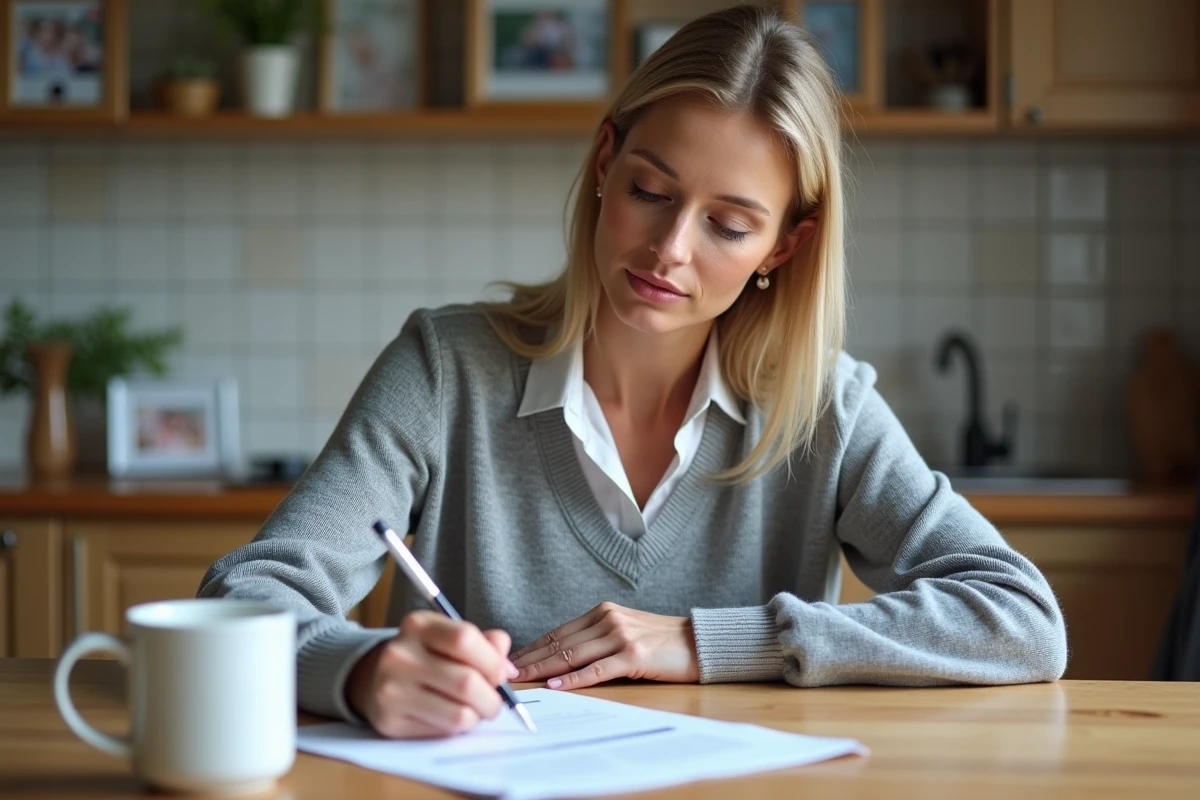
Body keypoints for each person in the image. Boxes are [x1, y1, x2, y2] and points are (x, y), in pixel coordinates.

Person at [199, 5, 1067, 740]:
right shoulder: (445, 370)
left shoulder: (824, 409)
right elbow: (245, 597)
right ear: (607, 162)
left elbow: (1021, 622)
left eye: (729, 225)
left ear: (784, 246)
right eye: (651, 191)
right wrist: (359, 671)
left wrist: (707, 643)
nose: (669, 249)